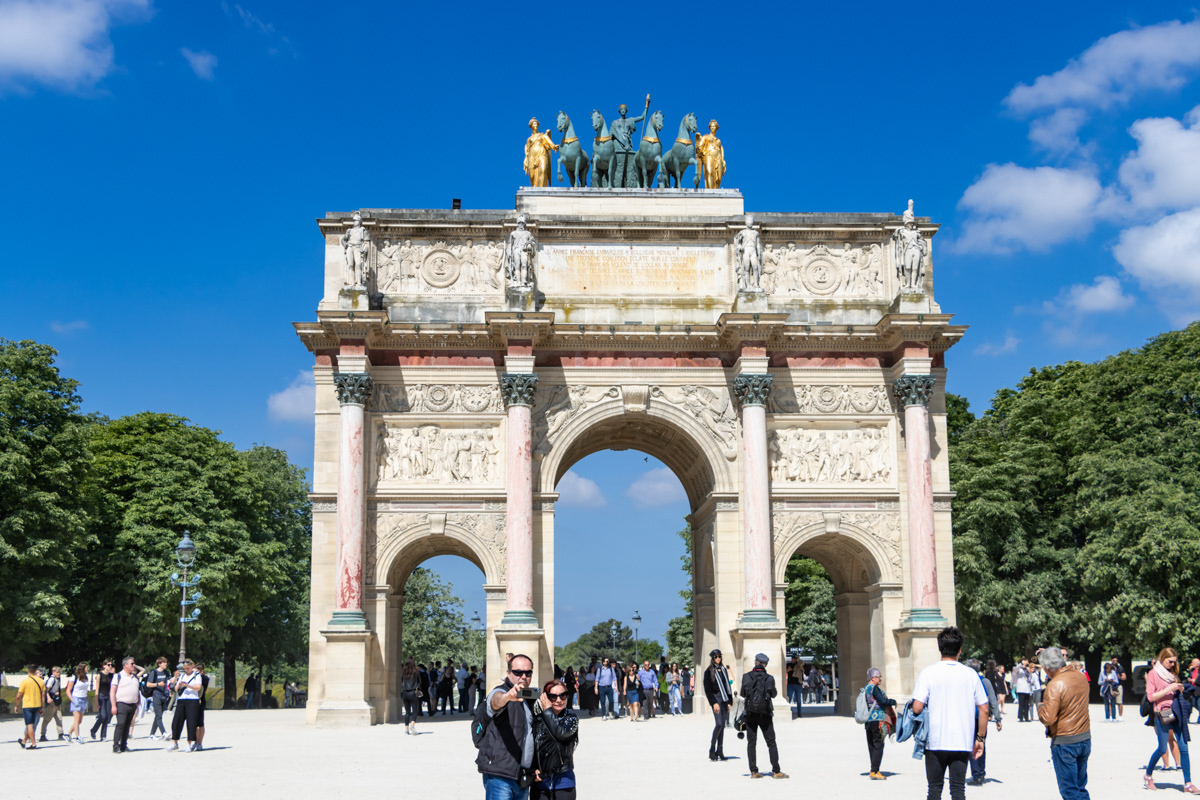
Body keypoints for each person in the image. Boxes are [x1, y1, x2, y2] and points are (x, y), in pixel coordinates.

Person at [911, 627, 988, 800]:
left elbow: (917, 708)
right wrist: (980, 739)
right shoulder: (971, 674)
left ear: (939, 648)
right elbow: (984, 709)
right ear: (960, 650)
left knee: (934, 789)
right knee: (958, 789)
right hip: (962, 740)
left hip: (935, 740)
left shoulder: (928, 673)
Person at [477, 653, 537, 800]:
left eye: (527, 673)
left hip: (522, 776)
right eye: (518, 672)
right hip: (500, 775)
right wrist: (507, 697)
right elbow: (496, 702)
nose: (523, 676)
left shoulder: (528, 697)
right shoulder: (501, 692)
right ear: (508, 673)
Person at [1034, 646, 1092, 799]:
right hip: (1084, 737)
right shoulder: (1080, 676)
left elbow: (1048, 718)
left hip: (1065, 741)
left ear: (1047, 667)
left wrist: (1040, 706)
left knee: (1070, 790)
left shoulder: (1054, 684)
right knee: (1080, 787)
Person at [1144, 648, 1198, 792]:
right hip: (1163, 712)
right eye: (1170, 661)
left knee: (1184, 747)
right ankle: (1148, 775)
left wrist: (1180, 690)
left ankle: (1188, 783)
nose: (1173, 664)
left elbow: (1173, 692)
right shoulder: (1153, 673)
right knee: (1162, 748)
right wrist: (1170, 688)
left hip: (1176, 710)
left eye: (1175, 662)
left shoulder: (1172, 674)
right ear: (1162, 658)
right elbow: (1151, 697)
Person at [741, 653, 788, 779]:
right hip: (765, 714)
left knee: (751, 743)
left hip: (750, 713)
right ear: (765, 664)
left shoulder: (746, 677)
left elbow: (742, 693)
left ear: (755, 662)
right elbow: (773, 694)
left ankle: (754, 771)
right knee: (771, 742)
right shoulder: (769, 678)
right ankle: (776, 771)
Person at [530, 679, 579, 800]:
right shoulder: (537, 719)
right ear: (545, 698)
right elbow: (529, 746)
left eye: (563, 696)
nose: (559, 700)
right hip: (540, 782)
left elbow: (560, 733)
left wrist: (547, 711)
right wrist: (532, 769)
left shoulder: (571, 719)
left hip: (564, 781)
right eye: (553, 696)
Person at [966, 658, 1002, 786]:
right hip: (982, 717)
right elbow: (993, 699)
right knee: (981, 743)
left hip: (969, 718)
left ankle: (977, 776)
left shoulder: (966, 681)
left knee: (972, 746)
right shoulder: (985, 681)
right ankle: (981, 773)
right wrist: (998, 718)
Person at [863, 667, 897, 780]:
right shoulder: (874, 688)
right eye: (879, 677)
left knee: (872, 745)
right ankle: (874, 771)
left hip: (868, 720)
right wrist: (893, 701)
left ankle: (873, 769)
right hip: (877, 719)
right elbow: (882, 701)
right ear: (873, 678)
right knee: (878, 745)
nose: (881, 679)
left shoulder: (865, 688)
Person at [703, 649, 732, 762]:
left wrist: (730, 701)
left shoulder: (724, 670)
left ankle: (720, 750)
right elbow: (708, 690)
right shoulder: (708, 671)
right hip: (716, 698)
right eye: (716, 657)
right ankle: (712, 748)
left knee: (723, 725)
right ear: (712, 658)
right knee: (719, 724)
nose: (718, 658)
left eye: (719, 656)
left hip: (725, 698)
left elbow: (727, 686)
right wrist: (714, 703)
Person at [168, 659, 203, 752]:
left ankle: (189, 743)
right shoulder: (182, 675)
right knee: (176, 721)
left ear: (192, 666)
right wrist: (179, 684)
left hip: (192, 700)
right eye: (185, 668)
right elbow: (175, 689)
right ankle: (175, 742)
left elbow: (198, 687)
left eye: (188, 668)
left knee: (191, 723)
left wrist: (188, 685)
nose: (187, 669)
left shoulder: (197, 675)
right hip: (181, 700)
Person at [109, 657, 142, 754]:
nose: (133, 665)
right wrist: (113, 706)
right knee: (121, 724)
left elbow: (136, 689)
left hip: (132, 704)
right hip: (121, 704)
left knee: (127, 725)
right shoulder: (118, 676)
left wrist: (138, 700)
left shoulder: (135, 677)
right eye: (132, 664)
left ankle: (124, 745)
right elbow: (112, 692)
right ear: (125, 665)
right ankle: (115, 745)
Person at [14, 663, 45, 750]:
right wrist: (42, 707)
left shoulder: (25, 681)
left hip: (27, 706)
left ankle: (33, 744)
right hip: (37, 705)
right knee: (32, 725)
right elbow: (43, 695)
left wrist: (16, 705)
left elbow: (18, 696)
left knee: (29, 725)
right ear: (35, 671)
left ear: (28, 670)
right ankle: (23, 742)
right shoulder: (41, 681)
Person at [146, 657, 172, 740]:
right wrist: (158, 684)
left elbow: (170, 682)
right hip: (156, 695)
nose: (166, 664)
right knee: (159, 715)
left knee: (158, 716)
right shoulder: (154, 672)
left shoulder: (166, 672)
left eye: (166, 662)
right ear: (159, 664)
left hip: (164, 696)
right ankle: (163, 733)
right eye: (164, 662)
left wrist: (175, 677)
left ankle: (151, 734)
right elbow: (148, 684)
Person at [65, 662, 89, 744]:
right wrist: (72, 700)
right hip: (76, 698)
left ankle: (68, 734)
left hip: (84, 699)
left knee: (80, 721)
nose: (87, 669)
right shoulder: (74, 678)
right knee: (76, 719)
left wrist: (87, 697)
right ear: (82, 668)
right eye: (86, 668)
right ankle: (78, 736)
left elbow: (86, 689)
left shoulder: (86, 677)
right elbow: (68, 690)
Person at [90, 659, 115, 740]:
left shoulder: (111, 675)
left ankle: (103, 736)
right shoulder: (99, 675)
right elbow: (97, 689)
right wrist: (96, 701)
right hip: (101, 696)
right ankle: (93, 730)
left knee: (107, 716)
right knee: (103, 715)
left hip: (108, 697)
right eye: (108, 665)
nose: (110, 666)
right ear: (104, 666)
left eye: (111, 665)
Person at [39, 665, 64, 742]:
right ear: (53, 672)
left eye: (59, 672)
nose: (59, 673)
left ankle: (60, 734)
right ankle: (42, 735)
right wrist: (50, 697)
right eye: (57, 672)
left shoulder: (57, 679)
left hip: (56, 701)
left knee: (59, 718)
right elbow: (46, 689)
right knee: (47, 719)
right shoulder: (52, 680)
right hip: (52, 701)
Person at [400, 658, 420, 735]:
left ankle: (406, 730)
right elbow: (419, 682)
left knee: (407, 712)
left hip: (405, 693)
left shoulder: (403, 672)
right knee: (415, 711)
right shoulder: (416, 672)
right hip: (413, 692)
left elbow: (401, 681)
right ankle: (412, 724)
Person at [1109, 656, 1127, 721]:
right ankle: (1111, 716)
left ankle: (1120, 716)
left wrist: (1120, 677)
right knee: (1110, 702)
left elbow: (1124, 677)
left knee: (1120, 702)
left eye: (1116, 660)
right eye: (1114, 660)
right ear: (1111, 660)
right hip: (1111, 685)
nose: (1115, 662)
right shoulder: (1109, 667)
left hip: (1118, 686)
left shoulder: (1120, 667)